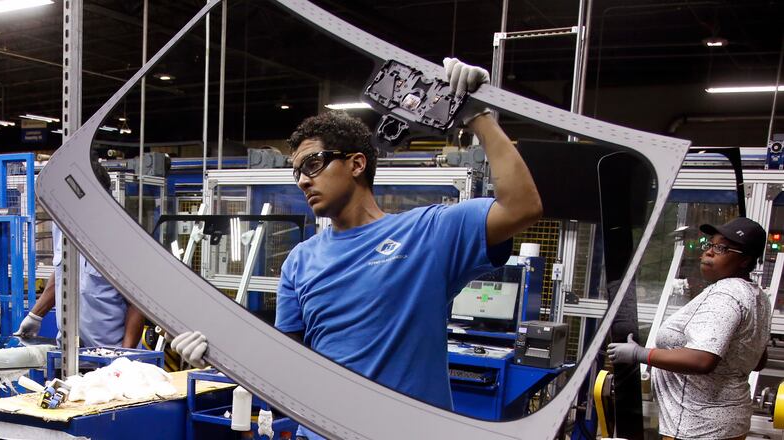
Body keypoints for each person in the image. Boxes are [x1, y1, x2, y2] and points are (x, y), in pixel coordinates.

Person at [172, 58, 542, 439]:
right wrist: (220, 358)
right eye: (297, 171)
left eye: (313, 164)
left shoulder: (428, 234)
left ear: (356, 164)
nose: (302, 181)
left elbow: (523, 207)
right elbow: (285, 368)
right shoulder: (299, 262)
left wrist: (477, 116)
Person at [608, 217, 772, 440]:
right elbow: (758, 360)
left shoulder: (726, 295)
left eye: (722, 248)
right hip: (730, 422)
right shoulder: (758, 297)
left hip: (698, 427)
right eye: (710, 244)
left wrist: (639, 354)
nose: (709, 252)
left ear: (745, 260)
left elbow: (702, 360)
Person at [15, 160, 145, 349]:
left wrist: (124, 355)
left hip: (109, 353)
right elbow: (62, 272)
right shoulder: (62, 224)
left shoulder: (122, 235)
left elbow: (138, 303)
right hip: (68, 349)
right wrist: (35, 315)